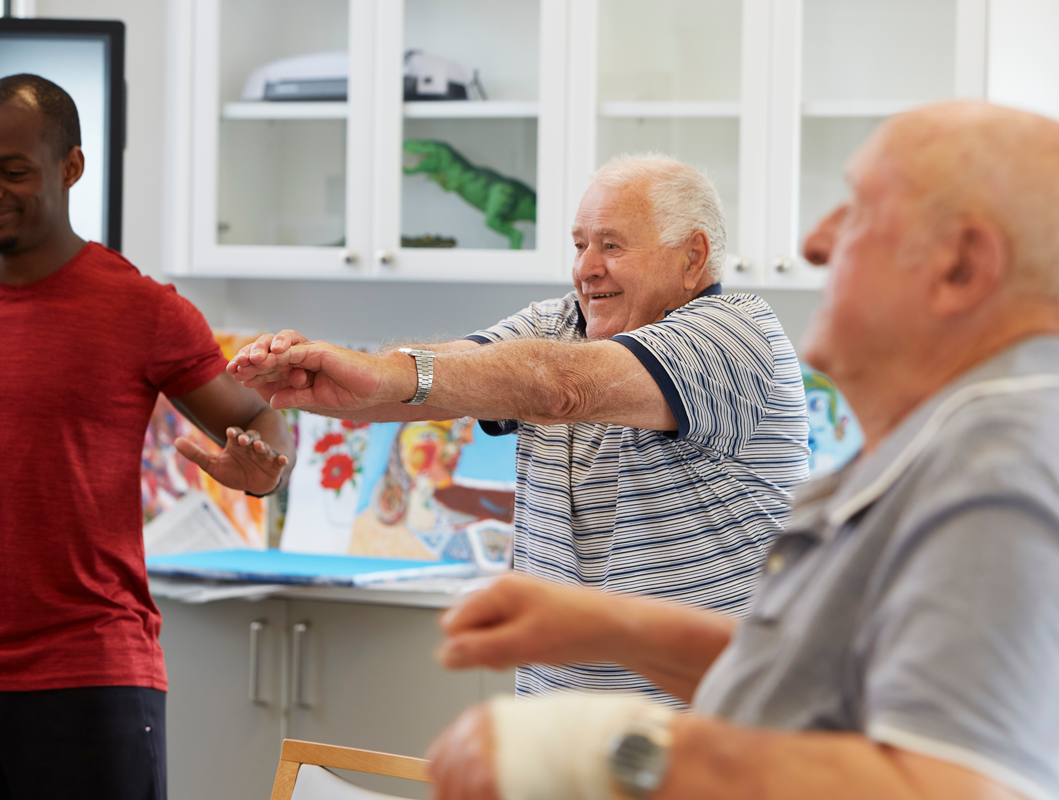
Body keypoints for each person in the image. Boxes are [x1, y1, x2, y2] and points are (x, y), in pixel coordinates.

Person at [419, 101, 1059, 800]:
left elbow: (953, 786)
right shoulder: (963, 441)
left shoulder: (1015, 476)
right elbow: (822, 679)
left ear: (962, 266)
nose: (815, 242)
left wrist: (597, 753)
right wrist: (605, 629)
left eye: (858, 211)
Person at [227, 154, 810, 702]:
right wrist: (329, 382)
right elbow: (451, 373)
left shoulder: (736, 336)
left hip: (707, 735)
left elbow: (558, 387)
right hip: (559, 730)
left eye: (612, 246)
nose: (587, 268)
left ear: (692, 257)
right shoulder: (562, 322)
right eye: (580, 245)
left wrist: (384, 374)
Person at [0, 74, 295, 800]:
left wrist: (258, 470)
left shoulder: (138, 309)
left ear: (71, 167)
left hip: (86, 673)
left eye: (14, 171)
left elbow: (259, 421)